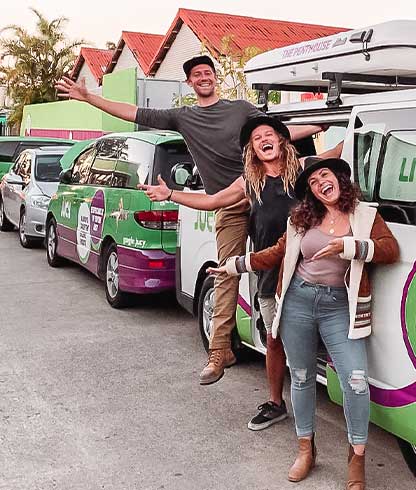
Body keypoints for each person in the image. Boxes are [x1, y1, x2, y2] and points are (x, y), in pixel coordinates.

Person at [55, 55, 322, 386]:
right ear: (190, 83)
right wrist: (89, 97)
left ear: (216, 78)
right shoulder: (183, 117)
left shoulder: (241, 109)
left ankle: (297, 329)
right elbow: (135, 113)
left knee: (288, 256)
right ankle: (220, 349)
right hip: (230, 201)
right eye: (197, 74)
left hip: (265, 194)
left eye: (208, 72)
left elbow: (275, 135)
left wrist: (318, 124)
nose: (204, 78)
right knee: (228, 270)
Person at [139, 116, 343, 431]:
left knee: (321, 335)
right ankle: (276, 403)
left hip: (308, 270)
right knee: (274, 341)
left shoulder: (304, 168)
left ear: (281, 139)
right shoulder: (249, 182)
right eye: (257, 137)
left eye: (269, 134)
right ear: (252, 149)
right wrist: (170, 195)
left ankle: (337, 396)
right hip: (268, 273)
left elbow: (343, 150)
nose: (264, 138)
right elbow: (212, 201)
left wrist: (361, 123)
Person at [208, 157, 399, 489]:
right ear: (310, 193)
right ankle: (305, 449)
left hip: (340, 305)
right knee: (301, 377)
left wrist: (351, 247)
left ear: (339, 179)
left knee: (355, 381)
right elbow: (274, 253)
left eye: (325, 175)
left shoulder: (366, 216)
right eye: (312, 182)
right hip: (298, 300)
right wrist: (234, 266)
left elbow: (389, 249)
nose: (320, 182)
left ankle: (356, 459)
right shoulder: (301, 219)